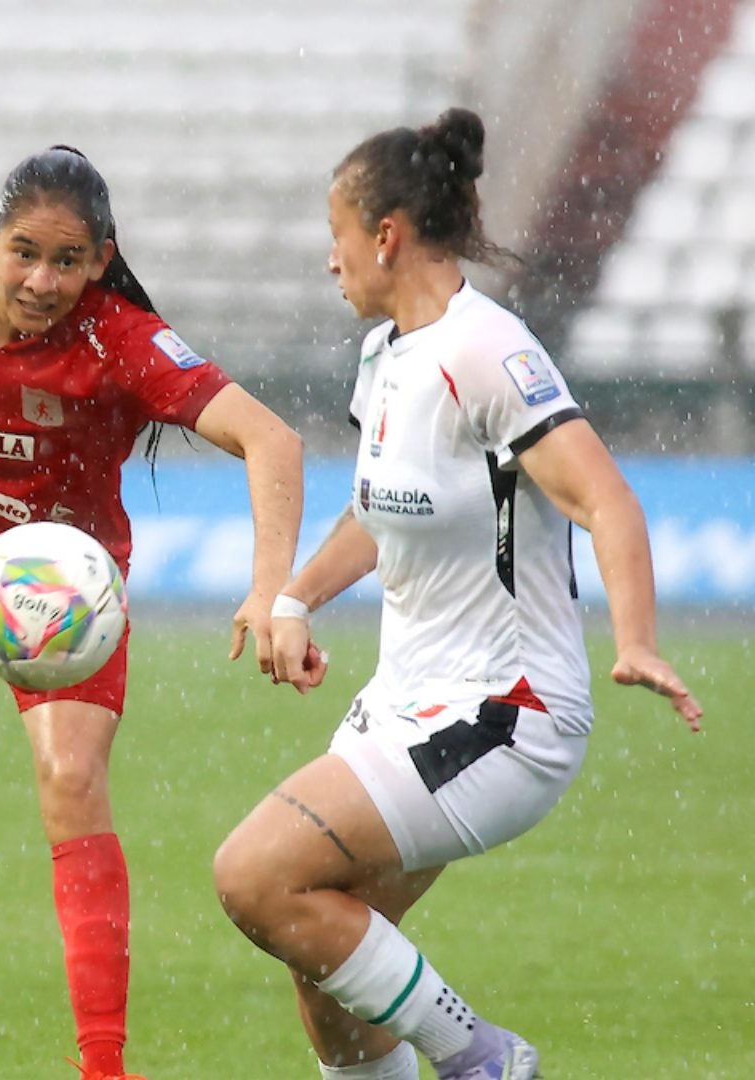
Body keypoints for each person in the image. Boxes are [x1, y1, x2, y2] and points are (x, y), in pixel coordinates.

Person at [210, 108, 704, 1080]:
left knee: (255, 875)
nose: (329, 260)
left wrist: (634, 637)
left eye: (337, 236)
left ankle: (484, 1060)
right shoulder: (384, 355)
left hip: (504, 710)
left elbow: (605, 498)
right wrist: (297, 598)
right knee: (325, 956)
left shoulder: (487, 353)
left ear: (386, 235)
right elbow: (381, 511)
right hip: (407, 702)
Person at [0, 146, 306, 1079]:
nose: (44, 281)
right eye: (26, 253)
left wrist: (269, 588)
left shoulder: (117, 342)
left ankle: (104, 1066)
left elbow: (270, 437)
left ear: (100, 259)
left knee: (74, 785)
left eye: (70, 260)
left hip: (61, 576)